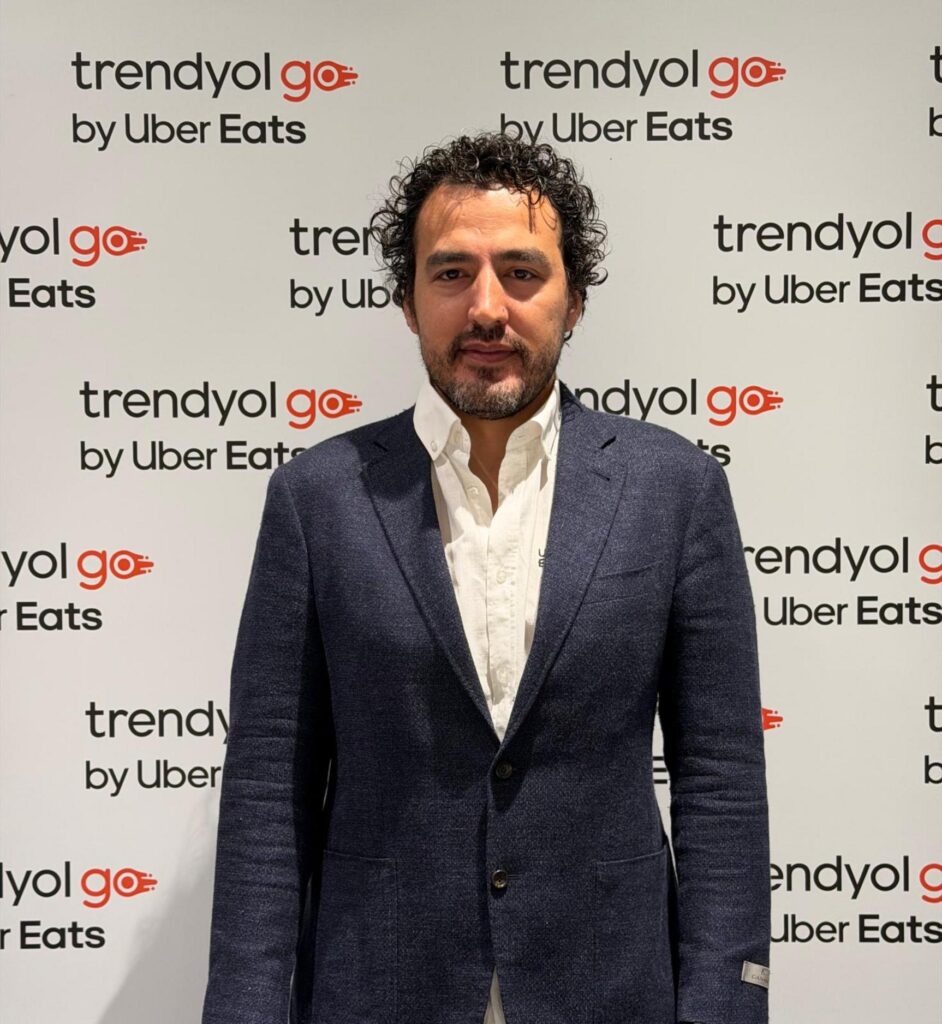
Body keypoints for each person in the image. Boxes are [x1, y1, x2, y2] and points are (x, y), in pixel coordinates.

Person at [201, 132, 771, 1024]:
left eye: (521, 272)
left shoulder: (676, 490)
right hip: (377, 991)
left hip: (612, 993)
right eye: (452, 273)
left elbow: (720, 778)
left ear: (574, 299)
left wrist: (726, 1007)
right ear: (407, 300)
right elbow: (269, 790)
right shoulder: (317, 499)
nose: (487, 308)